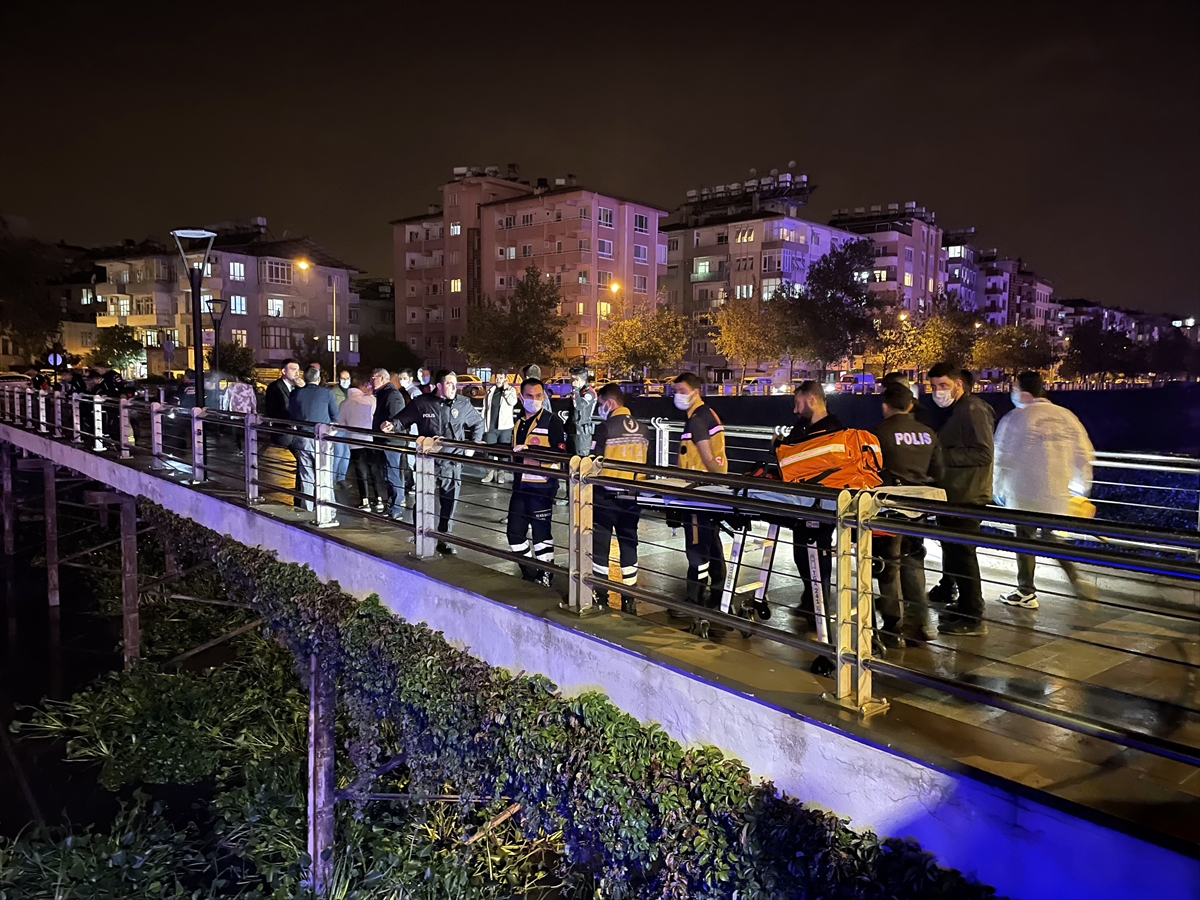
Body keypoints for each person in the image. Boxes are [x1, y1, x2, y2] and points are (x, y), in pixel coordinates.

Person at [993, 371, 1098, 607]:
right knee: (1052, 536)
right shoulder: (1066, 416)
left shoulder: (1016, 418)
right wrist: (1081, 488)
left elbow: (1002, 455)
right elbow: (1084, 453)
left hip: (1023, 492)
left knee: (1025, 539)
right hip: (1058, 491)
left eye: (1014, 388)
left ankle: (1026, 591)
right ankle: (1074, 577)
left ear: (1024, 392)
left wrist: (997, 487)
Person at [872, 382, 945, 647]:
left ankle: (893, 627)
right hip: (919, 507)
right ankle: (921, 624)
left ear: (885, 406)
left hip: (889, 507)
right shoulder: (928, 433)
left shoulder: (878, 432)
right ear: (911, 405)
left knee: (888, 565)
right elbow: (939, 472)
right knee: (914, 563)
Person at [927, 363, 995, 636]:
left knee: (964, 554)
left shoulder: (972, 410)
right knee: (955, 552)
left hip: (967, 494)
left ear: (959, 384)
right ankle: (965, 605)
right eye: (933, 387)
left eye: (942, 385)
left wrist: (941, 458)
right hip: (955, 493)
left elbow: (983, 453)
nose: (937, 392)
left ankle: (973, 615)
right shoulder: (960, 410)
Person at [389, 370, 485, 554]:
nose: (454, 388)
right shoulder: (422, 403)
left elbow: (478, 423)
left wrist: (472, 445)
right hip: (428, 461)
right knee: (423, 499)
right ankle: (421, 534)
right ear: (439, 386)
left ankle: (444, 538)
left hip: (452, 462)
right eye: (449, 384)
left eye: (455, 384)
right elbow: (402, 420)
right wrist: (391, 425)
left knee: (449, 501)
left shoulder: (463, 404)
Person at [776, 381, 845, 633]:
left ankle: (820, 608)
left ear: (811, 399)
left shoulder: (827, 432)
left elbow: (796, 462)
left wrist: (778, 447)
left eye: (797, 402)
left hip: (818, 505)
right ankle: (811, 600)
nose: (795, 410)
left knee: (818, 556)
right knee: (802, 555)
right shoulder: (814, 429)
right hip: (803, 504)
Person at [671, 372, 727, 616]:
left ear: (695, 391)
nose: (677, 395)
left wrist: (716, 481)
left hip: (697, 493)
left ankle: (694, 600)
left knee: (696, 547)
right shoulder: (710, 413)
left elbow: (705, 456)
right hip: (710, 492)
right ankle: (718, 594)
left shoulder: (696, 420)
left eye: (681, 390)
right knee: (712, 542)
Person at [590, 383, 648, 611]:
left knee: (600, 546)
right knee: (629, 543)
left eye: (600, 404)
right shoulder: (644, 429)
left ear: (610, 403)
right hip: (633, 497)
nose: (600, 408)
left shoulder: (605, 428)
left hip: (605, 498)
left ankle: (601, 594)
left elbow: (593, 464)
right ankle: (629, 596)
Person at [506, 378, 568, 585]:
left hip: (542, 485)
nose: (534, 400)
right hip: (521, 484)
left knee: (541, 532)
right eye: (530, 396)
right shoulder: (519, 422)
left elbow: (559, 454)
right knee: (514, 533)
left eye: (538, 396)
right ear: (521, 397)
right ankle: (529, 570)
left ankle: (546, 573)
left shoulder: (552, 421)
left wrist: (531, 451)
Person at [288, 366, 343, 518]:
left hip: (303, 437)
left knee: (306, 476)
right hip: (323, 439)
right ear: (318, 379)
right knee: (324, 475)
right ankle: (328, 510)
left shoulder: (295, 393)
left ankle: (307, 510)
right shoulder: (326, 393)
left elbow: (291, 415)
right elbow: (335, 416)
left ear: (304, 379)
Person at [369, 368, 408, 517]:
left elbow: (396, 418)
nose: (372, 381)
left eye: (374, 378)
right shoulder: (385, 394)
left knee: (392, 474)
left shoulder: (392, 395)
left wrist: (387, 426)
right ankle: (392, 505)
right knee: (388, 474)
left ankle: (396, 507)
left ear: (383, 378)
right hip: (386, 440)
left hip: (391, 441)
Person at [338, 380, 378, 510]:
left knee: (361, 472)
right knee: (373, 469)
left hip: (355, 441)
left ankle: (364, 500)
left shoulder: (344, 404)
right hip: (371, 439)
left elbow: (341, 425)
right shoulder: (370, 400)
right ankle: (379, 499)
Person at [481, 369, 518, 484]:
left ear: (505, 379)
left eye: (501, 378)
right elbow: (485, 407)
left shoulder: (511, 390)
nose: (498, 380)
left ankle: (501, 474)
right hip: (491, 426)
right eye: (497, 378)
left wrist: (506, 389)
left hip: (505, 427)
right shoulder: (491, 391)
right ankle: (489, 474)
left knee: (503, 452)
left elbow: (513, 402)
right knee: (489, 451)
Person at [567, 365, 598, 458]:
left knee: (580, 461)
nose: (572, 383)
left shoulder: (589, 393)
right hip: (572, 431)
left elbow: (579, 406)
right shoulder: (578, 392)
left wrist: (575, 390)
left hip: (582, 434)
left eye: (574, 380)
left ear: (579, 379)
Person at [225, 378, 258, 453]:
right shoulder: (249, 388)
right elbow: (253, 401)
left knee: (236, 434)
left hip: (234, 414)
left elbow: (226, 400)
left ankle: (240, 449)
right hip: (246, 415)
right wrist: (254, 412)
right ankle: (247, 449)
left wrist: (224, 411)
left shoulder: (231, 387)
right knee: (246, 433)